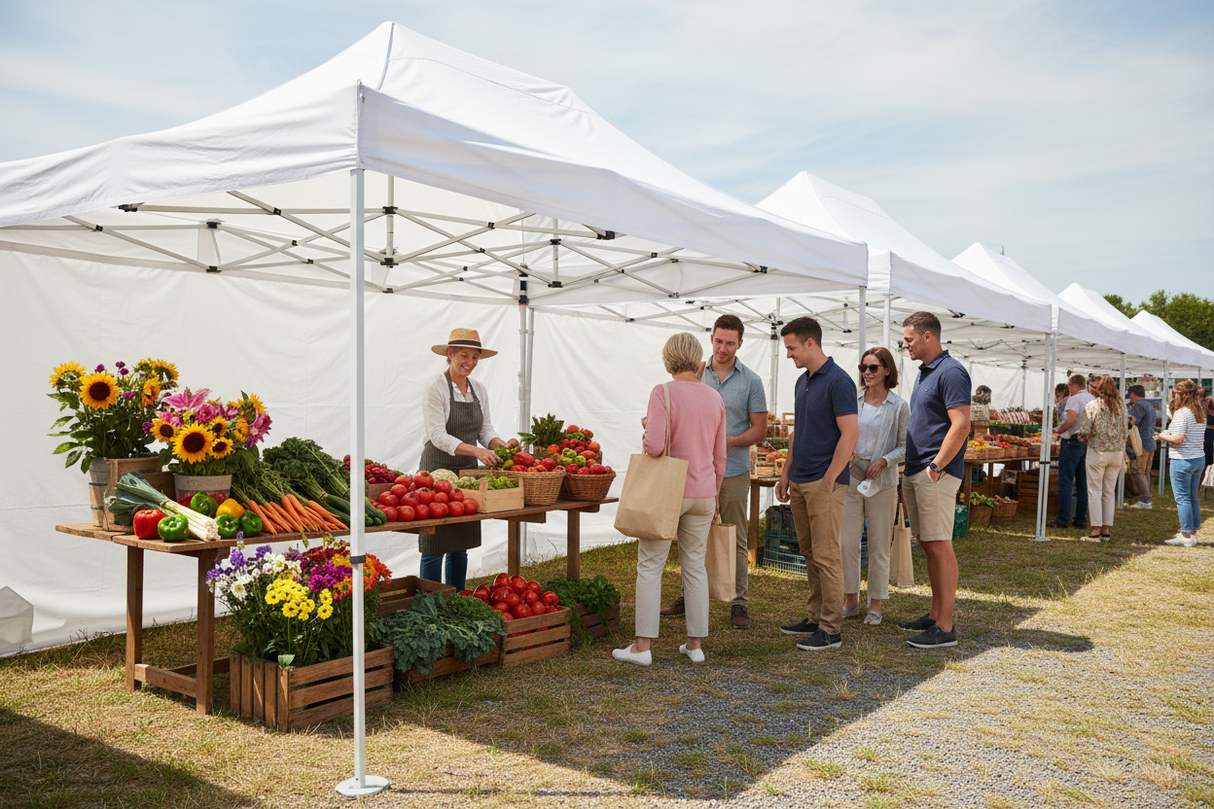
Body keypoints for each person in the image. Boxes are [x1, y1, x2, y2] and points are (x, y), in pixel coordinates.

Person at [613, 332, 726, 666]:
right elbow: (720, 456)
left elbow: (654, 448)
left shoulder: (661, 392)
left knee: (650, 566)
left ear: (668, 359)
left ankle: (642, 648)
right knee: (695, 568)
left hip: (669, 493)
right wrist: (716, 494)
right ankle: (694, 645)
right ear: (698, 359)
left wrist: (650, 427)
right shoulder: (714, 398)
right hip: (705, 491)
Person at [660, 315, 767, 629]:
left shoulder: (752, 381)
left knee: (733, 536)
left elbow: (759, 430)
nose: (723, 348)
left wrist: (729, 441)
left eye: (730, 343)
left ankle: (739, 603)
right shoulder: (692, 373)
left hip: (732, 470)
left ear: (740, 344)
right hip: (693, 473)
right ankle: (687, 595)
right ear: (711, 339)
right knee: (690, 536)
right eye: (719, 341)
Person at [775, 316, 858, 652]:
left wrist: (831, 475)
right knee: (810, 552)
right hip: (799, 479)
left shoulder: (839, 382)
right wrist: (786, 473)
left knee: (826, 555)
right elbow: (798, 433)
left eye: (792, 348)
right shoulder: (802, 382)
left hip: (824, 482)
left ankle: (830, 629)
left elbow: (850, 434)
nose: (788, 355)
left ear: (810, 343)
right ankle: (814, 617)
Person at [419, 328, 518, 591]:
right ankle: (430, 602)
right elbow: (438, 435)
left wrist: (501, 445)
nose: (470, 363)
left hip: (467, 473)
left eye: (475, 357)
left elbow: (485, 431)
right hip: (436, 470)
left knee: (460, 544)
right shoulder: (435, 389)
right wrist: (476, 452)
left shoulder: (480, 390)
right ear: (449, 355)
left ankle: (457, 598)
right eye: (464, 355)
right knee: (434, 544)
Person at [898, 312, 971, 649]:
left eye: (909, 339)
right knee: (929, 543)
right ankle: (935, 614)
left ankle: (944, 626)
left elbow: (961, 424)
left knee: (939, 545)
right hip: (918, 469)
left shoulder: (952, 371)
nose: (905, 344)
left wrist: (937, 466)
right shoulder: (927, 372)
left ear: (929, 337)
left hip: (934, 472)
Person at [840, 347, 909, 626]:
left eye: (873, 368)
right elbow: (842, 432)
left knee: (880, 544)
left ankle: (876, 603)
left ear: (887, 371)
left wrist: (883, 460)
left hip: (882, 481)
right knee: (847, 542)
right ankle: (851, 599)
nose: (866, 372)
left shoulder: (899, 406)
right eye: (863, 367)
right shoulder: (852, 399)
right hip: (852, 476)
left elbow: (905, 446)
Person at [1077, 375, 1127, 541]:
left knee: (1094, 491)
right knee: (1108, 491)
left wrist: (1083, 438)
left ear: (1099, 389)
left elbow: (1084, 431)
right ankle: (1105, 528)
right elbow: (1126, 430)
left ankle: (1095, 529)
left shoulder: (1093, 405)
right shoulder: (1122, 406)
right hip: (1117, 452)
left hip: (1098, 452)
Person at [1161, 380, 1208, 547]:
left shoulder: (1182, 413)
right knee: (1192, 496)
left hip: (1182, 459)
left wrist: (1163, 435)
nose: (1174, 396)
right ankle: (1192, 531)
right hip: (1198, 458)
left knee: (1182, 498)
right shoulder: (1200, 412)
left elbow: (1178, 438)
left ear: (1181, 394)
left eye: (1175, 393)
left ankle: (1186, 535)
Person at [1048, 374, 1094, 531]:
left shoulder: (1074, 399)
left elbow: (1071, 418)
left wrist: (1058, 430)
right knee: (1082, 483)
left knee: (1066, 481)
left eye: (1069, 386)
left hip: (1072, 441)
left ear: (1073, 386)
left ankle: (1063, 519)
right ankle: (1081, 519)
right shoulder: (1092, 398)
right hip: (1086, 442)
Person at [1126, 385, 1156, 508]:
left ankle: (1145, 499)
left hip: (1141, 443)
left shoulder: (1138, 405)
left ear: (1132, 394)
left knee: (1138, 472)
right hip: (1149, 442)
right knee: (1145, 472)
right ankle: (1146, 497)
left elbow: (1131, 423)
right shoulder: (1149, 405)